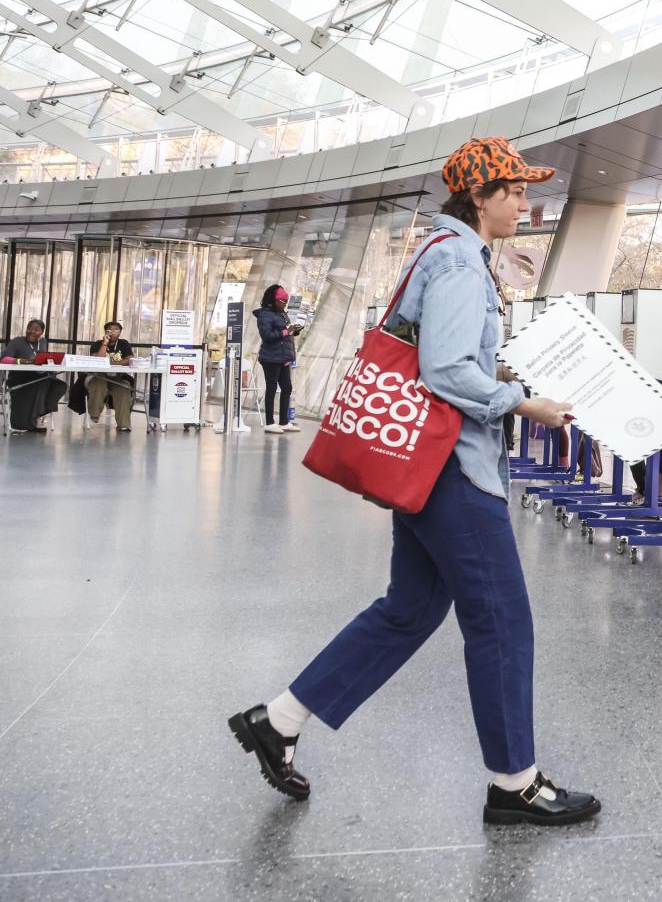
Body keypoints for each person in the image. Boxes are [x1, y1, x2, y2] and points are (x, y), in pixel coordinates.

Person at [229, 136, 601, 827]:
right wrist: (522, 402)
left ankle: (279, 718)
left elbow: (444, 357)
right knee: (502, 619)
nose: (525, 200)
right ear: (482, 196)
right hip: (453, 468)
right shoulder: (461, 261)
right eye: (515, 189)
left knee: (410, 609)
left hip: (426, 466)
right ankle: (514, 782)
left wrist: (503, 379)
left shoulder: (441, 251)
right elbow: (446, 373)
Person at [2, 318, 67, 432]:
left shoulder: (43, 342)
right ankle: (35, 418)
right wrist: (22, 361)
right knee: (44, 383)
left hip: (39, 376)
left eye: (36, 330)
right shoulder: (17, 341)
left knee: (59, 385)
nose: (31, 331)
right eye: (29, 328)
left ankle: (38, 414)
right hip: (19, 378)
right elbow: (4, 359)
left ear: (42, 333)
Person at [254, 284, 303, 435]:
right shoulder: (265, 315)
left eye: (286, 301)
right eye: (283, 301)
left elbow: (284, 331)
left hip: (283, 357)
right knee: (272, 388)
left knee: (287, 387)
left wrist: (293, 331)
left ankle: (284, 421)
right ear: (274, 300)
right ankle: (269, 422)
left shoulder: (282, 313)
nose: (285, 303)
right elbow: (267, 336)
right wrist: (286, 332)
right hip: (270, 357)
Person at [85, 321, 135, 432]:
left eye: (116, 330)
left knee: (123, 388)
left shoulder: (124, 344)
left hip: (116, 378)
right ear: (105, 332)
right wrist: (105, 343)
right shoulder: (97, 344)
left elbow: (129, 360)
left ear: (120, 332)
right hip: (97, 376)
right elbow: (97, 360)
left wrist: (109, 363)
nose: (112, 332)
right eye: (109, 330)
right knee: (99, 385)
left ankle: (124, 424)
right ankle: (94, 415)